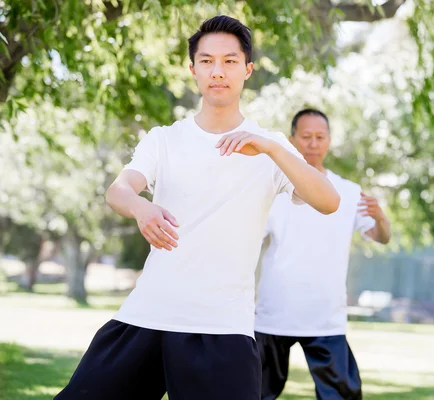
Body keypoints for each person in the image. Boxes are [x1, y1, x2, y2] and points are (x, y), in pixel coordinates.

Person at [55, 17, 339, 400]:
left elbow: (328, 201)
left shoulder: (271, 147)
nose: (217, 72)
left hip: (222, 327)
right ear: (193, 70)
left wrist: (272, 148)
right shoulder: (164, 140)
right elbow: (119, 190)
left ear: (247, 70)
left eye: (229, 61)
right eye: (206, 61)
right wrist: (141, 208)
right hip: (147, 315)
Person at [255, 109, 391, 400]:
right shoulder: (273, 190)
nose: (313, 143)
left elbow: (381, 237)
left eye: (320, 137)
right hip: (273, 313)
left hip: (325, 316)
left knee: (342, 396)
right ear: (292, 140)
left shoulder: (349, 192)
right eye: (306, 137)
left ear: (329, 140)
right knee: (253, 393)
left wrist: (381, 218)